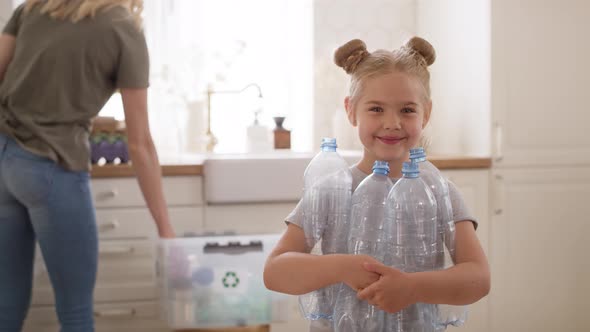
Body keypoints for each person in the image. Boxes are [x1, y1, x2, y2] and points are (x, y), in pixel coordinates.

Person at [263, 37, 490, 331]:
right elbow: (275, 271)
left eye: (407, 110)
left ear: (427, 113)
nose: (392, 122)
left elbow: (479, 278)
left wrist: (412, 287)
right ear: (350, 110)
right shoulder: (331, 191)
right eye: (376, 109)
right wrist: (342, 267)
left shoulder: (439, 191)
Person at [0, 0, 175, 330]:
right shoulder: (123, 28)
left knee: (5, 305)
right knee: (75, 310)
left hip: (4, 162)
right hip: (52, 166)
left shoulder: (33, 8)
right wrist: (165, 227)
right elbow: (139, 143)